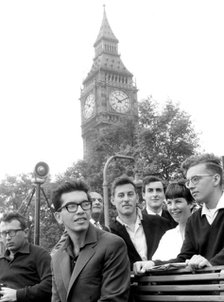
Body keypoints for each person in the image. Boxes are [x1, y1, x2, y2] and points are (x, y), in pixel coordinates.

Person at [135, 153, 224, 272]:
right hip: (206, 288)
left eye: (196, 179)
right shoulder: (194, 220)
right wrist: (153, 263)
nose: (190, 186)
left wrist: (212, 264)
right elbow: (184, 258)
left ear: (216, 179)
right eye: (188, 181)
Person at [51, 179, 130, 302]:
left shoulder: (113, 245)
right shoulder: (56, 258)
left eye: (85, 204)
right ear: (58, 217)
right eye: (71, 206)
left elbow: (113, 299)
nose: (80, 210)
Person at [110, 176, 172, 268]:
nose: (126, 199)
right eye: (121, 195)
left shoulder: (160, 223)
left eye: (130, 194)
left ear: (137, 198)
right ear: (112, 200)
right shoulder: (110, 232)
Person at [133, 180, 194, 274]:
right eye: (169, 203)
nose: (173, 207)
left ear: (190, 203)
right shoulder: (168, 235)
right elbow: (156, 265)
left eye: (178, 201)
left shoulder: (200, 231)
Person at [0, 212, 52, 302]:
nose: (7, 237)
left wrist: (18, 295)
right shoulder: (1, 261)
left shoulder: (40, 255)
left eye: (12, 232)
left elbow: (51, 283)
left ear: (26, 232)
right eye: (4, 233)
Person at [51, 190, 109, 255]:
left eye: (100, 200)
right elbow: (57, 252)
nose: (97, 202)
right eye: (93, 200)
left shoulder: (106, 229)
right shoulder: (76, 227)